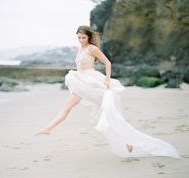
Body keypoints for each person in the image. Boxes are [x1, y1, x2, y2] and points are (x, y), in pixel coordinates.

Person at [34, 25, 180, 159]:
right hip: (81, 81)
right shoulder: (80, 48)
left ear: (89, 37)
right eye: (78, 37)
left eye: (83, 37)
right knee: (71, 107)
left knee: (107, 115)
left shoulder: (92, 48)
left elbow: (108, 63)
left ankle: (128, 140)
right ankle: (48, 128)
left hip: (92, 82)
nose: (81, 40)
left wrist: (108, 79)